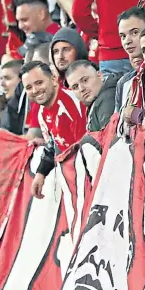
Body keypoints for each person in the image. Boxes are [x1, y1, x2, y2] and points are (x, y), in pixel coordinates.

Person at [20, 61, 87, 199]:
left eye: (39, 83)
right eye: (28, 87)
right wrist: (41, 173)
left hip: (88, 178)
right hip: (72, 184)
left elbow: (85, 145)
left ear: (53, 79)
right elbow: (53, 145)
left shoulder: (73, 101)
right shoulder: (42, 113)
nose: (35, 90)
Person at [65, 60, 118, 132]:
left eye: (85, 80)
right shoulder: (97, 99)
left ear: (99, 75)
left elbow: (110, 139)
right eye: (75, 87)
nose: (81, 89)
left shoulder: (107, 100)